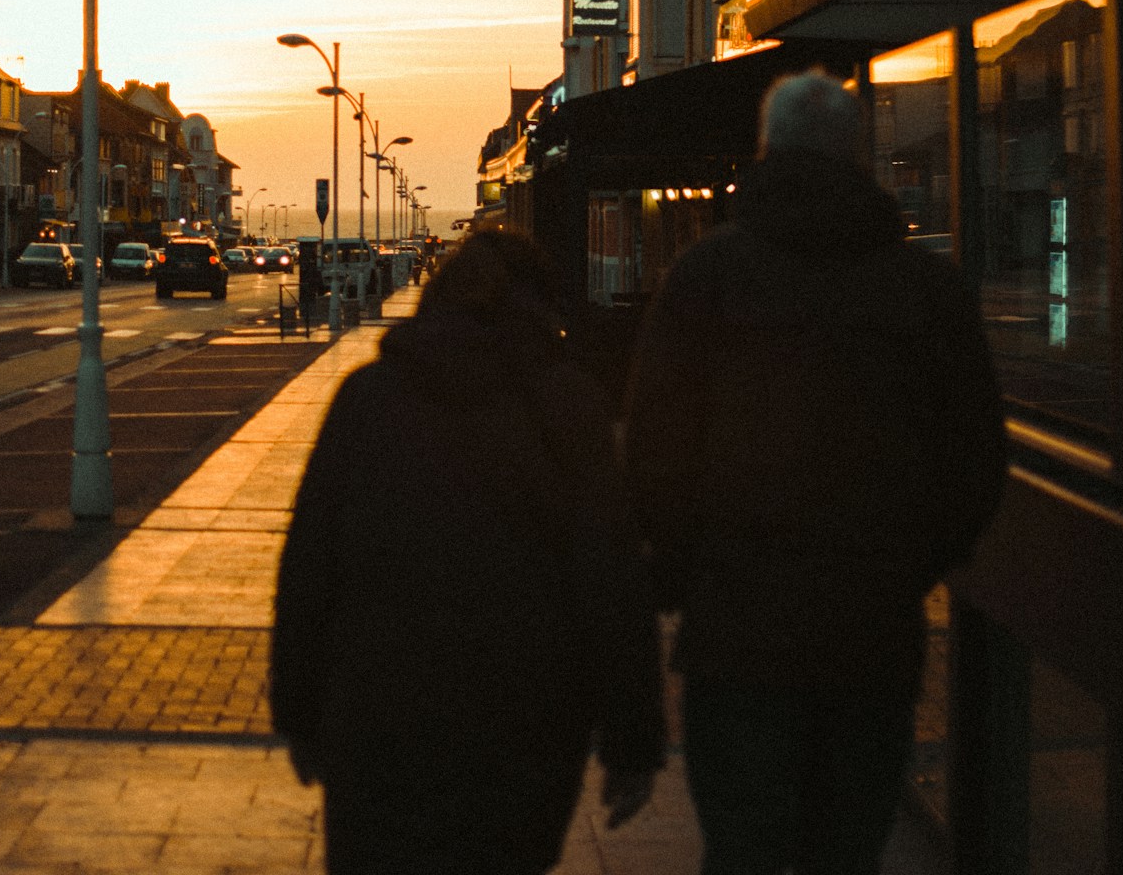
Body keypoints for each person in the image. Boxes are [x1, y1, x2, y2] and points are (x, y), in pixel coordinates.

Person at [622, 70, 1006, 875]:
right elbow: (973, 458)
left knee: (744, 845)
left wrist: (687, 566)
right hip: (871, 630)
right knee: (845, 848)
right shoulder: (924, 290)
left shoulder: (708, 278)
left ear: (767, 152)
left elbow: (655, 449)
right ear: (859, 156)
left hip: (738, 631)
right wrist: (911, 562)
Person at [272, 230, 667, 874]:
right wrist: (632, 737)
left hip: (380, 725)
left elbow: (311, 566)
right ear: (542, 309)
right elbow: (610, 580)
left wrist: (299, 709)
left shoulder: (370, 400)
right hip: (524, 728)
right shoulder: (567, 409)